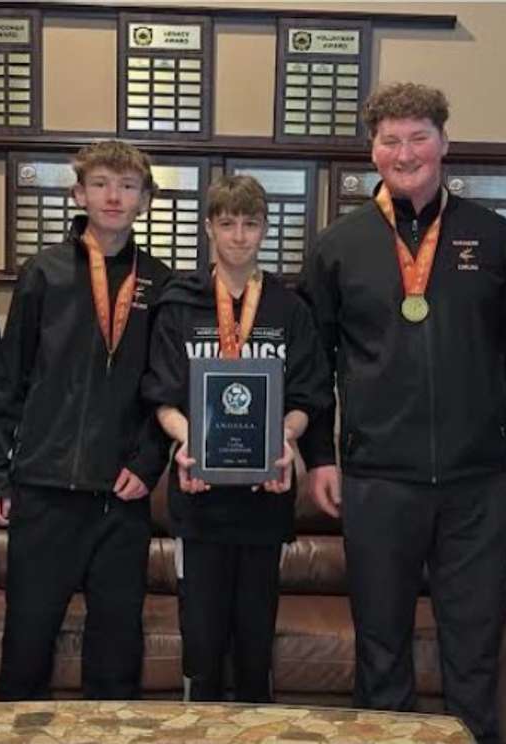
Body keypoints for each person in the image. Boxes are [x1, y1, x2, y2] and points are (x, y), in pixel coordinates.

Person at [297, 83, 506, 743]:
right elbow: (313, 364)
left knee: (473, 649)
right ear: (372, 151)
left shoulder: (493, 239)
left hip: (478, 482)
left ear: (444, 143)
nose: (405, 153)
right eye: (390, 140)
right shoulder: (337, 245)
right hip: (378, 480)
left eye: (418, 137)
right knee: (381, 651)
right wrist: (321, 455)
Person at [0, 140, 171, 700]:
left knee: (116, 658)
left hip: (121, 495)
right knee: (26, 647)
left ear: (145, 199)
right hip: (45, 489)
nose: (114, 196)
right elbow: (9, 379)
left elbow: (167, 387)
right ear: (79, 193)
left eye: (128, 186)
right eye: (101, 184)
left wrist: (147, 461)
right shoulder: (45, 272)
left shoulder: (160, 283)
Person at [143, 174, 331, 702]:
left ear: (266, 229)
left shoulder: (289, 309)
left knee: (253, 647)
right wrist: (187, 443)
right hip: (199, 501)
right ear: (209, 228)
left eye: (251, 223)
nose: (240, 236)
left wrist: (284, 441)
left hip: (264, 500)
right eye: (227, 223)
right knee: (201, 646)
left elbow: (308, 397)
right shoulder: (179, 304)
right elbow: (162, 397)